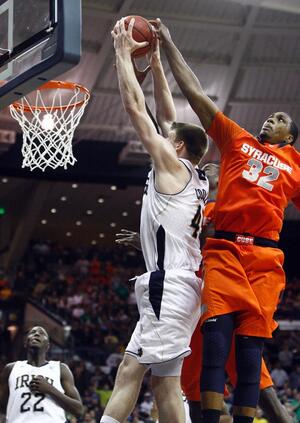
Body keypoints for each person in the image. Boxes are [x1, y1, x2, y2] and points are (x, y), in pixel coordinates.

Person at [154, 17, 300, 423]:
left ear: (289, 137)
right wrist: (167, 43)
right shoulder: (236, 140)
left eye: (279, 118)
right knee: (216, 338)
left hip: (266, 260)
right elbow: (195, 94)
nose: (270, 118)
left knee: (251, 349)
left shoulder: (297, 167)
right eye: (268, 115)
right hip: (224, 251)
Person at [117, 163, 291, 423]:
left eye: (211, 169)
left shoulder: (230, 206)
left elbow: (212, 243)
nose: (205, 170)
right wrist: (148, 243)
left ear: (223, 178)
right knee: (198, 401)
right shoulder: (190, 208)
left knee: (264, 395)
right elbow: (185, 252)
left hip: (225, 306)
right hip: (192, 311)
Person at [101, 18, 209, 423]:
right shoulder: (191, 174)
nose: (163, 132)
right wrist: (159, 61)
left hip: (171, 284)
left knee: (149, 377)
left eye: (169, 134)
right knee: (149, 375)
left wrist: (121, 52)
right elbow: (167, 114)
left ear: (177, 145)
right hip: (177, 285)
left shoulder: (171, 166)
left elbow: (134, 106)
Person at [0, 326, 83, 422]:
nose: (36, 334)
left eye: (42, 333)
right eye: (33, 332)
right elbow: (2, 407)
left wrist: (50, 389)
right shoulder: (11, 368)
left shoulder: (61, 369)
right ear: (25, 343)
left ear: (47, 346)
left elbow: (79, 410)